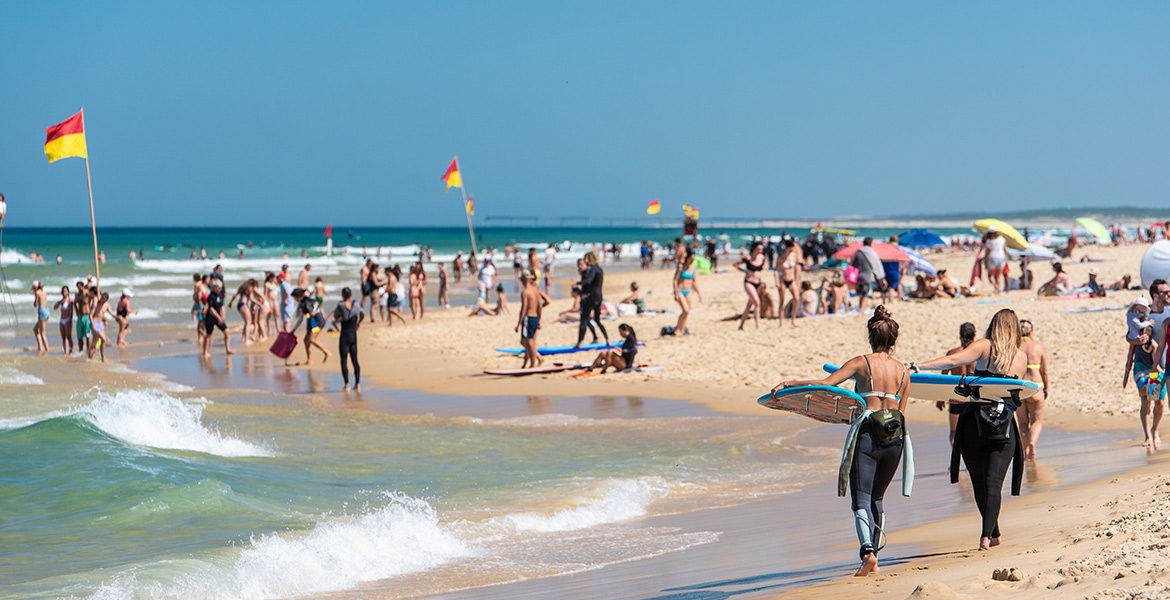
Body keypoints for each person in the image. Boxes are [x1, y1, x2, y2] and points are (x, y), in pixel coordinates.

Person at [771, 305, 911, 576]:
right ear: (893, 340)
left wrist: (790, 384)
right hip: (895, 439)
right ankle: (875, 556)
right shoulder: (904, 372)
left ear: (870, 338)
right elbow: (902, 413)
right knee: (878, 499)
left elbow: (827, 384)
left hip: (868, 434)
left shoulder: (861, 362)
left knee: (861, 498)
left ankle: (867, 553)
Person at [913, 309, 1027, 550]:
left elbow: (954, 361)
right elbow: (1017, 396)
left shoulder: (985, 346)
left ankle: (987, 535)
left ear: (994, 326)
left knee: (979, 482)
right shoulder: (1021, 357)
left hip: (973, 422)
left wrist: (919, 366)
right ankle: (992, 535)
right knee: (993, 483)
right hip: (1004, 427)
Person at [934, 322, 977, 444]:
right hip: (972, 397)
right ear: (974, 335)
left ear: (960, 335)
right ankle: (971, 460)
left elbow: (944, 376)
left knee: (954, 432)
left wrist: (940, 398)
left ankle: (955, 460)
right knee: (973, 431)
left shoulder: (952, 354)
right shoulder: (979, 354)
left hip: (956, 397)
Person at [1140, 280, 1170, 447]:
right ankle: (1147, 436)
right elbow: (1129, 338)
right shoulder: (1144, 315)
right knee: (1146, 400)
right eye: (1165, 292)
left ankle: (1155, 430)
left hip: (1162, 365)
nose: (1169, 294)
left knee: (1160, 401)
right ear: (1156, 295)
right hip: (1145, 363)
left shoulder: (1168, 315)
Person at [1017, 320, 1049, 461]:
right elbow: (1044, 371)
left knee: (1023, 423)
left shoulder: (1015, 347)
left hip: (1020, 387)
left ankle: (1025, 452)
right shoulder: (1038, 347)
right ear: (1031, 332)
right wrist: (1046, 387)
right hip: (1035, 386)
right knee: (1036, 421)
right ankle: (1033, 442)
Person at [331, 287, 364, 391]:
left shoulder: (340, 306)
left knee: (344, 360)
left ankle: (347, 385)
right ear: (351, 295)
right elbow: (362, 314)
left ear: (343, 295)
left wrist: (336, 321)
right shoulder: (356, 305)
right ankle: (357, 384)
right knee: (355, 360)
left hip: (345, 335)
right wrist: (358, 323)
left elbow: (336, 316)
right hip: (353, 335)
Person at [576, 252, 609, 346]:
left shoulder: (593, 269)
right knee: (597, 320)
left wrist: (579, 283)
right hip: (599, 296)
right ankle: (607, 339)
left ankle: (579, 342)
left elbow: (588, 281)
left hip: (592, 296)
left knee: (583, 319)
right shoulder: (599, 269)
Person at [290, 288, 331, 365]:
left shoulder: (307, 300)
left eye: (294, 297)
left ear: (298, 296)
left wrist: (314, 311)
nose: (294, 299)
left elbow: (317, 303)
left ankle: (327, 352)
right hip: (311, 322)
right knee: (306, 340)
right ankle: (309, 360)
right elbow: (301, 319)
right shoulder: (302, 304)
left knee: (312, 339)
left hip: (318, 320)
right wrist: (294, 329)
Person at [515, 271, 545, 369]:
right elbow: (540, 307)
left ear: (523, 280)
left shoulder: (525, 292)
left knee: (528, 342)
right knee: (527, 341)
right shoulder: (536, 291)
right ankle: (526, 363)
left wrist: (518, 323)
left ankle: (534, 362)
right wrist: (539, 319)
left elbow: (523, 309)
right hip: (535, 317)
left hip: (528, 318)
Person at [735, 242, 766, 330]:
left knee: (749, 305)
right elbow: (735, 264)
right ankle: (758, 326)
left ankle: (741, 325)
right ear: (754, 249)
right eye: (759, 249)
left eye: (761, 249)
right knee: (757, 303)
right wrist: (743, 271)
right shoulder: (748, 258)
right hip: (749, 282)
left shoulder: (762, 257)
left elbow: (763, 266)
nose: (760, 251)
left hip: (758, 283)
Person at [668, 249, 700, 336]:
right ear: (687, 258)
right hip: (680, 291)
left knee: (687, 312)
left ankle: (681, 330)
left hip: (688, 291)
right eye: (691, 259)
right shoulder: (681, 267)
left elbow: (694, 282)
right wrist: (675, 292)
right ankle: (677, 329)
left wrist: (699, 294)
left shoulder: (693, 268)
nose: (692, 261)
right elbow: (675, 280)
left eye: (694, 259)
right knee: (685, 310)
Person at [851, 238, 884, 318]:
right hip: (867, 276)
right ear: (871, 243)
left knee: (861, 294)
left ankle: (860, 310)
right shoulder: (871, 253)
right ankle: (861, 312)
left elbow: (852, 264)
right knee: (866, 294)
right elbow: (877, 266)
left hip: (858, 276)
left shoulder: (858, 252)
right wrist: (881, 278)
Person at [202, 279, 234, 359]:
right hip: (211, 317)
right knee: (208, 335)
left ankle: (228, 349)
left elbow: (222, 306)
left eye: (221, 288)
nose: (220, 289)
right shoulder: (211, 296)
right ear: (214, 287)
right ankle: (205, 352)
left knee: (227, 331)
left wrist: (223, 315)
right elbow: (211, 309)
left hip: (219, 317)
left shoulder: (219, 295)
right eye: (219, 288)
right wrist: (219, 317)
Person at [775, 240, 800, 327]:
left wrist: (797, 280)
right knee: (782, 301)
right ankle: (780, 322)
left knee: (796, 299)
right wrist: (777, 281)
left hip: (791, 280)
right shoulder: (781, 257)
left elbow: (796, 269)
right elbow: (775, 270)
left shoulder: (794, 256)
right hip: (783, 280)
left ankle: (793, 320)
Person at [89, 291, 114, 362]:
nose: (103, 302)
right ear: (101, 297)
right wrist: (93, 325)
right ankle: (103, 357)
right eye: (103, 300)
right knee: (103, 339)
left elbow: (112, 314)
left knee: (94, 343)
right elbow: (90, 315)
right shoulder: (96, 303)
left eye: (105, 301)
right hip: (94, 323)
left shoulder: (106, 305)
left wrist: (118, 316)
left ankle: (89, 358)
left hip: (100, 324)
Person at [984, 227, 1008, 294]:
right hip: (1001, 257)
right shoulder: (1001, 239)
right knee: (998, 276)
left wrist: (985, 262)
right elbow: (1005, 250)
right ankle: (998, 289)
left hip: (992, 257)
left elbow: (987, 252)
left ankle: (995, 286)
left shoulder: (989, 241)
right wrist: (1005, 259)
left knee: (990, 275)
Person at [54, 286, 73, 355]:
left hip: (67, 320)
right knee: (63, 336)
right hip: (62, 320)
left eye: (66, 291)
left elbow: (71, 312)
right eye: (63, 291)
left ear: (68, 292)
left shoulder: (69, 301)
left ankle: (70, 350)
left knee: (68, 336)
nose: (64, 292)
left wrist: (71, 321)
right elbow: (54, 307)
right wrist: (59, 302)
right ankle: (65, 351)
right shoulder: (61, 301)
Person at [75, 282, 92, 356]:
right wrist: (76, 311)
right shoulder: (77, 294)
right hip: (80, 316)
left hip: (87, 316)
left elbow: (93, 298)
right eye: (77, 288)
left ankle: (88, 350)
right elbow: (75, 302)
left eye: (79, 287)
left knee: (88, 335)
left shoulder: (87, 293)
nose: (79, 289)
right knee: (79, 336)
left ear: (82, 286)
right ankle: (81, 350)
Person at [31, 281, 49, 353]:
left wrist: (35, 295)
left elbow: (35, 304)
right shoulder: (44, 292)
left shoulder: (37, 293)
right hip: (46, 310)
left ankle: (46, 349)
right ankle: (40, 347)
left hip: (42, 311)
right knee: (35, 329)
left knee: (42, 333)